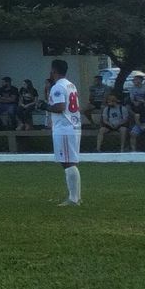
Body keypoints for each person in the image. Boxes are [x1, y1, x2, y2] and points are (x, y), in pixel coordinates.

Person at [46, 59, 83, 205]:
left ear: (54, 70)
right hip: (73, 126)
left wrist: (45, 106)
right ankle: (76, 196)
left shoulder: (58, 87)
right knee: (68, 161)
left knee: (68, 162)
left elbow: (60, 107)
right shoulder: (70, 85)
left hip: (64, 128)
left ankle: (74, 198)